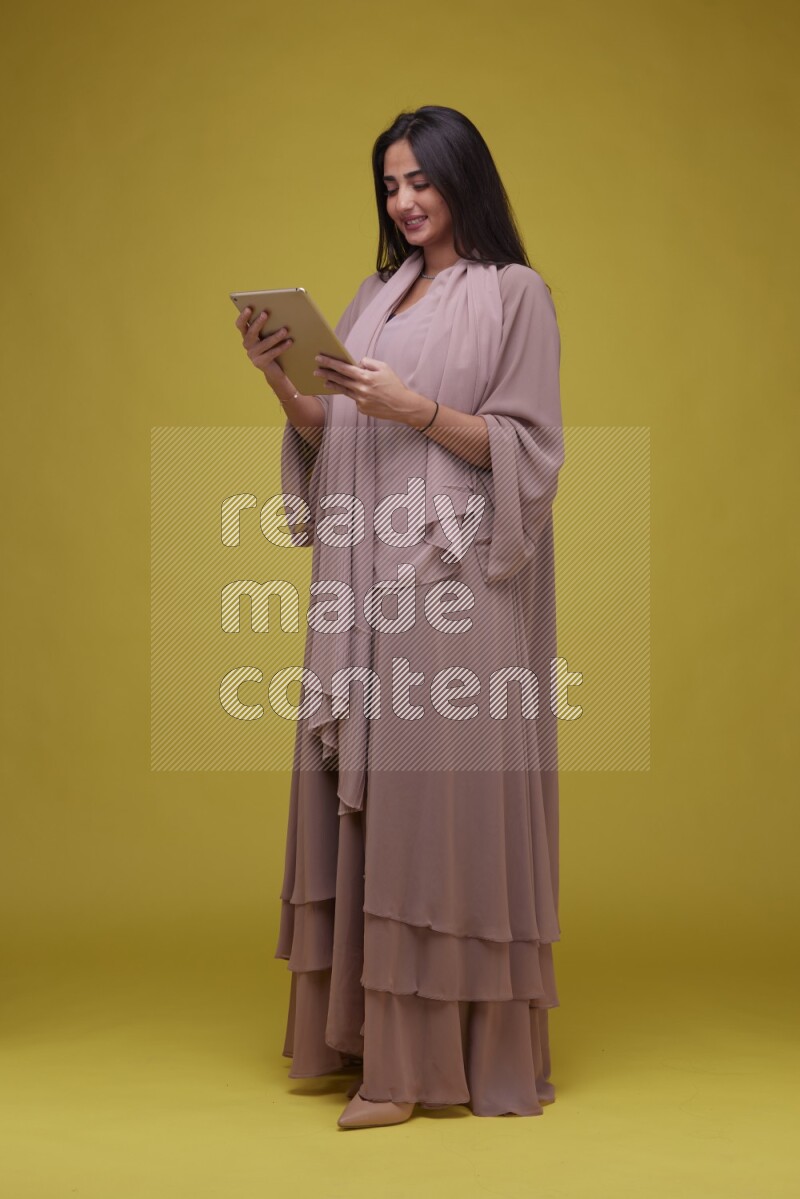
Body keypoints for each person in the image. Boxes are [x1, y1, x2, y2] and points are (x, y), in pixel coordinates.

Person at [235, 105, 565, 1128]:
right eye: (389, 184)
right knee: (366, 794)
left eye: (421, 179)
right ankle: (368, 1038)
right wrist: (283, 378)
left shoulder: (515, 295)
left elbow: (528, 448)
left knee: (436, 808)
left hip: (453, 579)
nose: (404, 200)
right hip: (364, 579)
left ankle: (422, 1064)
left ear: (464, 180)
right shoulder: (376, 296)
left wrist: (413, 408)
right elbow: (338, 436)